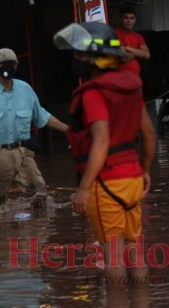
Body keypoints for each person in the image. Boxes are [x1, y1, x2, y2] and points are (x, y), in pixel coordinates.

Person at [53, 21, 156, 281]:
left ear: (95, 58)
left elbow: (101, 140)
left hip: (107, 181)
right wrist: (144, 171)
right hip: (133, 178)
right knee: (136, 253)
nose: (75, 60)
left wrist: (84, 188)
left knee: (113, 258)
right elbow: (150, 135)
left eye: (79, 54)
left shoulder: (94, 93)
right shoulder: (132, 86)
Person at [0, 48, 69, 210]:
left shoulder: (25, 90)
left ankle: (35, 231)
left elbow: (42, 116)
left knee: (39, 192)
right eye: (4, 64)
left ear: (16, 66)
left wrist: (68, 130)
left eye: (12, 64)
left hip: (23, 152)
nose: (8, 67)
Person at [114, 6, 150, 76]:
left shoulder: (138, 36)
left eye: (131, 18)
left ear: (135, 20)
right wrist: (138, 53)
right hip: (119, 78)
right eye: (125, 18)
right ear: (120, 19)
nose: (129, 21)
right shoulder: (113, 34)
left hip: (136, 79)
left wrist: (128, 48)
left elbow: (147, 55)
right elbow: (123, 58)